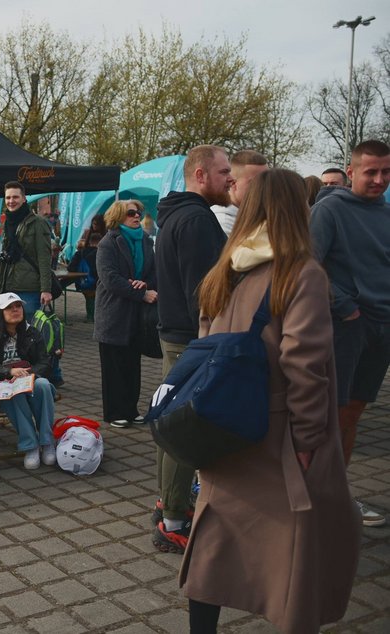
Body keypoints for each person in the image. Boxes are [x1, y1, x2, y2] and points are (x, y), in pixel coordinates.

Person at [184, 168, 359, 633]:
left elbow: (203, 346)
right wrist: (308, 440)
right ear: (298, 209)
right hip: (278, 434)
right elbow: (305, 366)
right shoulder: (302, 273)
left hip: (222, 425)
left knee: (215, 542)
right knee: (294, 548)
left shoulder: (225, 268)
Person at [152, 144, 231, 554]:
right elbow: (203, 293)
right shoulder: (197, 220)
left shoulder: (176, 214)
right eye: (223, 172)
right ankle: (173, 521)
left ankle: (170, 502)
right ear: (200, 175)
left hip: (176, 334)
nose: (230, 179)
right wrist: (210, 342)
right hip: (190, 339)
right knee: (184, 429)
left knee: (172, 424)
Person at [310, 139, 390, 528]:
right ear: (351, 171)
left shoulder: (386, 213)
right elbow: (307, 263)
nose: (379, 179)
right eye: (370, 171)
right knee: (334, 415)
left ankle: (336, 495)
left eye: (386, 172)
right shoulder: (329, 210)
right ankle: (318, 500)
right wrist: (344, 305)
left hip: (382, 326)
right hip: (346, 326)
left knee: (354, 412)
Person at [0, 292, 56, 469]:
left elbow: (45, 362)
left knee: (43, 385)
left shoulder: (32, 332)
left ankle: (47, 441)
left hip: (29, 379)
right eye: (9, 307)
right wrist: (8, 372)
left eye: (18, 306)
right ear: (0, 313)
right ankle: (31, 445)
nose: (16, 310)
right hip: (3, 383)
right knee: (14, 393)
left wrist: (30, 374)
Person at [93, 200, 157, 427]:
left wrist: (145, 284)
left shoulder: (146, 240)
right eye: (131, 213)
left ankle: (131, 409)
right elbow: (110, 278)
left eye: (138, 212)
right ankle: (114, 412)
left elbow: (154, 272)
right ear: (118, 216)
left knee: (132, 363)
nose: (137, 216)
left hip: (136, 314)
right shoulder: (108, 243)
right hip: (113, 312)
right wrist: (141, 293)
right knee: (114, 365)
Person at [0, 181, 54, 319]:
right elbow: (5, 259)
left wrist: (46, 290)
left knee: (28, 329)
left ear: (24, 199)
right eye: (8, 197)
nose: (11, 201)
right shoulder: (8, 223)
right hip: (9, 288)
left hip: (29, 289)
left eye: (15, 197)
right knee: (11, 329)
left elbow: (44, 258)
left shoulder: (38, 223)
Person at [210, 150, 269, 236]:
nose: (264, 188)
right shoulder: (223, 223)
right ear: (233, 183)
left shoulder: (259, 218)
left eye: (267, 182)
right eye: (256, 182)